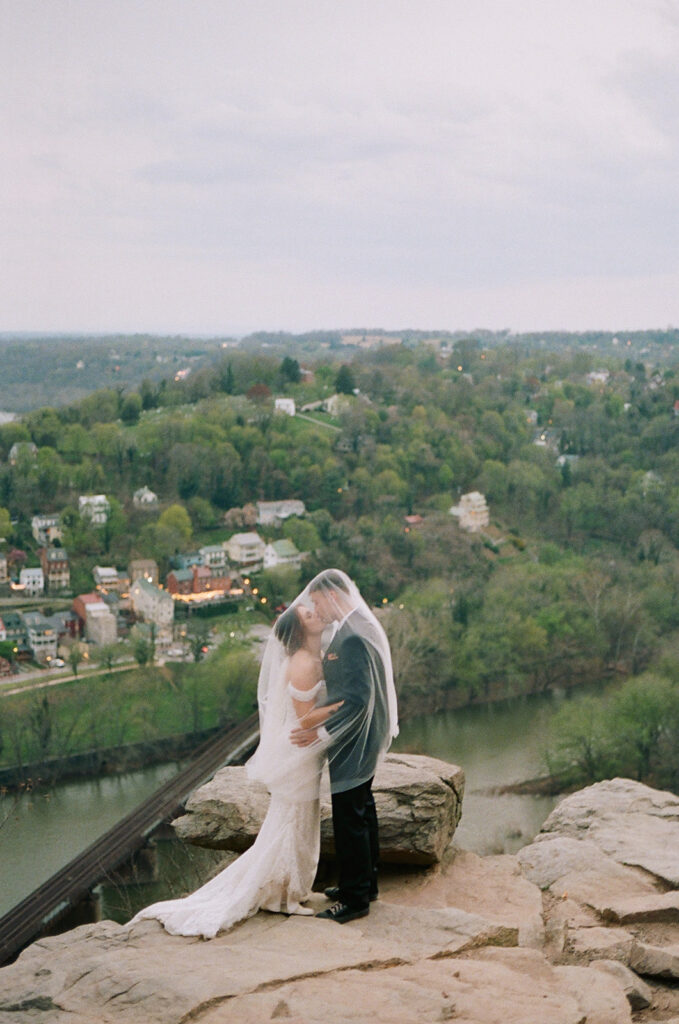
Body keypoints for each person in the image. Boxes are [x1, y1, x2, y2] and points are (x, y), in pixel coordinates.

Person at [127, 599, 341, 938]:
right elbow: (305, 718)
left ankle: (286, 891)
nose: (314, 612)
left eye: (311, 609)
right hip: (299, 750)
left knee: (299, 817)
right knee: (293, 820)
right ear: (299, 630)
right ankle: (282, 895)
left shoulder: (310, 657)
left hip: (303, 748)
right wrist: (342, 706)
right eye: (306, 614)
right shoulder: (303, 662)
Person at [291, 569, 398, 924]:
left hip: (353, 739)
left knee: (349, 816)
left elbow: (354, 700)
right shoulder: (359, 626)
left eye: (318, 602)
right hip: (363, 735)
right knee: (362, 809)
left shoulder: (351, 636)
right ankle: (366, 884)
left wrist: (319, 736)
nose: (318, 610)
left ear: (333, 595)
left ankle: (354, 899)